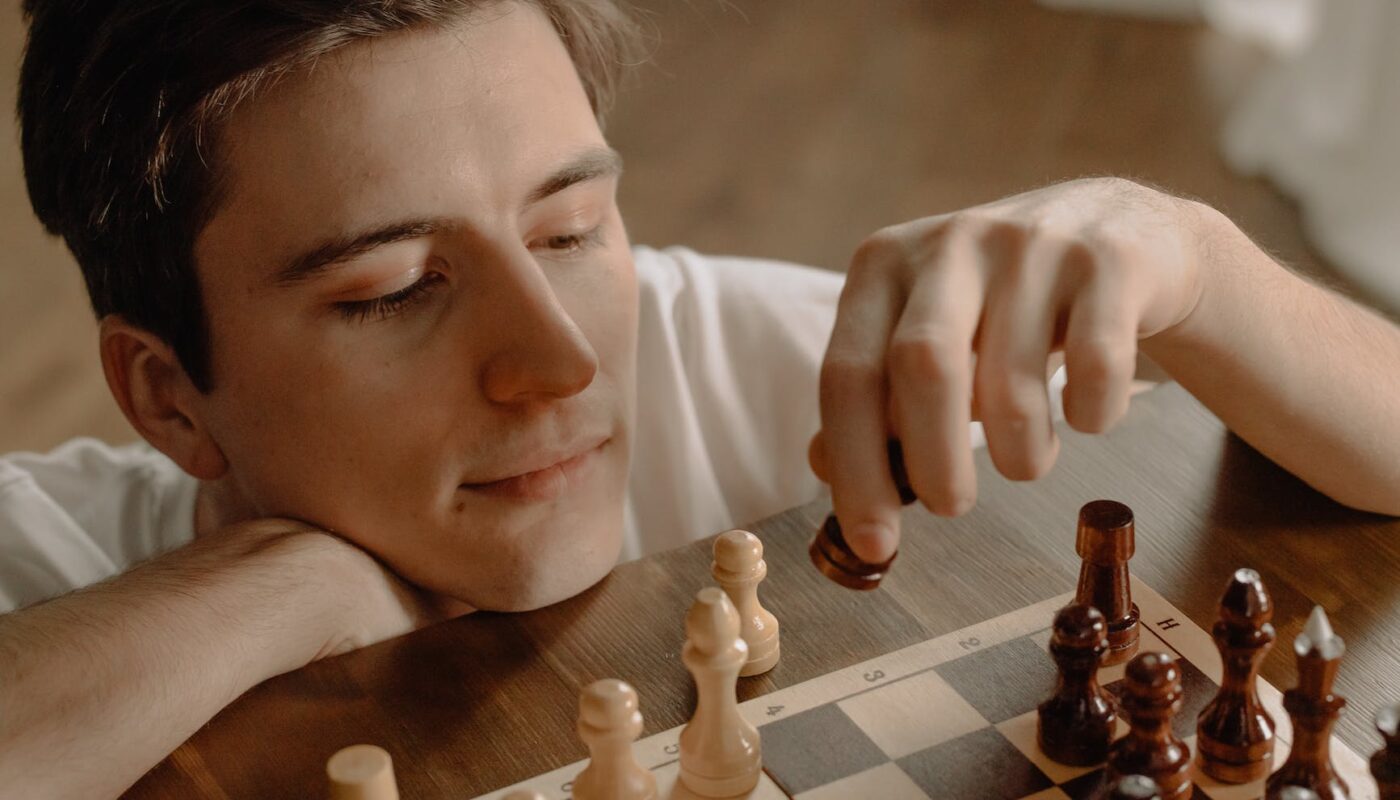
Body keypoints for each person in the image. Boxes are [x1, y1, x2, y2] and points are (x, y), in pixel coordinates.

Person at [2, 1, 1397, 797]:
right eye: (392, 288)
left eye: (568, 230)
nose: (559, 359)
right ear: (169, 396)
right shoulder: (55, 562)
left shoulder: (745, 357)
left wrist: (1201, 267)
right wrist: (280, 592)